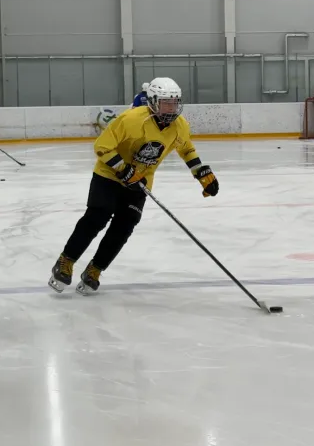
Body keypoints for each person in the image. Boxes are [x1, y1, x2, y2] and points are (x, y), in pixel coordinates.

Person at [48, 77, 219, 295]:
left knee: (124, 227)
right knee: (97, 217)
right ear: (154, 102)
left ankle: (95, 269)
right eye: (166, 103)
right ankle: (66, 261)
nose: (171, 108)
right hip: (108, 176)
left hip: (139, 183)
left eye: (175, 103)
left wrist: (201, 172)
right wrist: (123, 169)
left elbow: (186, 149)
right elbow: (102, 146)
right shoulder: (131, 119)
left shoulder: (180, 126)